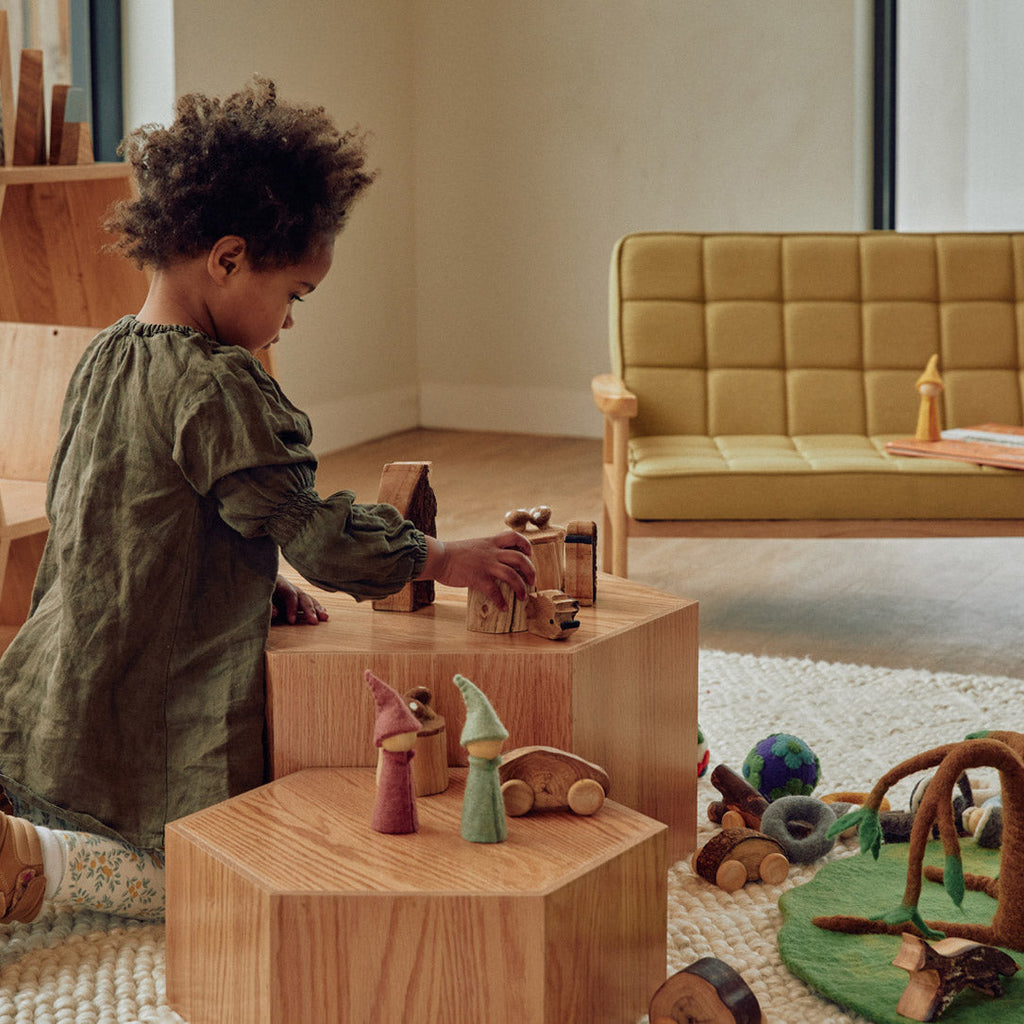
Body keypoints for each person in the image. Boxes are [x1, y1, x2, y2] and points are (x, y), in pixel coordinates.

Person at [0, 76, 534, 924]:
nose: (289, 323)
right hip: (149, 687)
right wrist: (439, 556)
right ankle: (44, 864)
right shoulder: (217, 386)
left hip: (62, 667)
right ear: (227, 258)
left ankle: (30, 829)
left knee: (70, 788)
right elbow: (316, 535)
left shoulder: (104, 355)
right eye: (294, 296)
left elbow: (122, 519)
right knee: (212, 874)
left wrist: (246, 577)